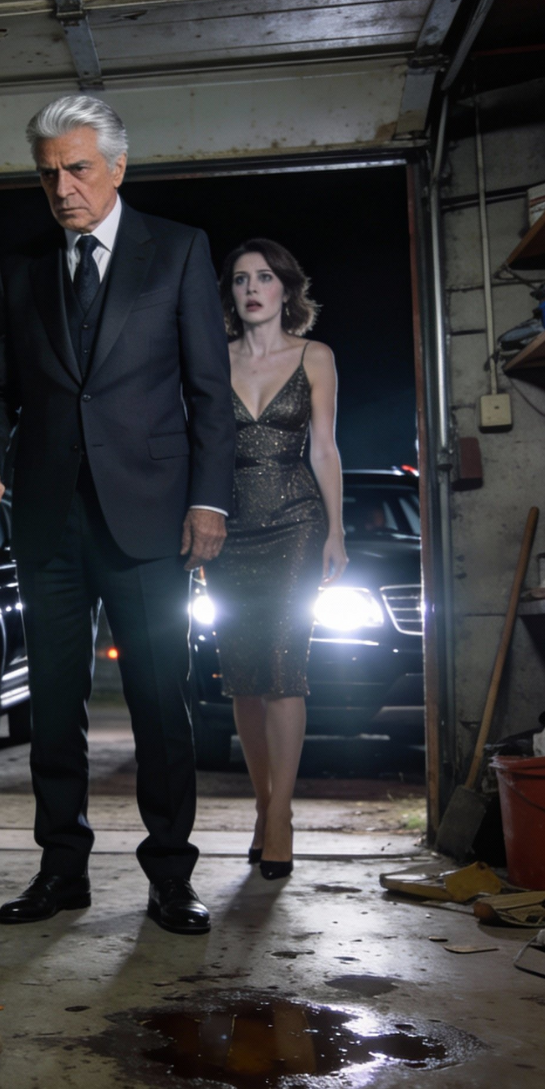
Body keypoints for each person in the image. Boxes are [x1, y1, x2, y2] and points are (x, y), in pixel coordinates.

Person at [0, 96, 236, 935]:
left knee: (160, 702)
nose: (62, 189)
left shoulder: (178, 251)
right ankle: (61, 870)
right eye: (47, 174)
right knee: (53, 706)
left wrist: (208, 499)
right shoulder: (18, 267)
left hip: (151, 518)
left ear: (117, 166)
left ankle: (171, 875)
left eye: (77, 170)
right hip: (49, 519)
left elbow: (209, 392)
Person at [203, 239, 347, 880]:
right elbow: (199, 449)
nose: (252, 289)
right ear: (230, 294)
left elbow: (324, 449)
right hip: (229, 532)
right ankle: (262, 805)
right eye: (240, 280)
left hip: (295, 525)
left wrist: (336, 531)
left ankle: (282, 816)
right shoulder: (212, 358)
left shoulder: (316, 356)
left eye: (264, 278)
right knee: (244, 676)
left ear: (286, 289)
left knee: (285, 668)